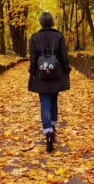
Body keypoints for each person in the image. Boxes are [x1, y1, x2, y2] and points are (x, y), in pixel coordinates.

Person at [28, 12, 71, 153]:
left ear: (40, 22)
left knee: (44, 101)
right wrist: (66, 69)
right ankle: (53, 126)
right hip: (56, 73)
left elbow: (33, 58)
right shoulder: (58, 36)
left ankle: (48, 132)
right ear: (52, 22)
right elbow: (63, 55)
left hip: (41, 75)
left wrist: (33, 72)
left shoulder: (34, 37)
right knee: (54, 100)